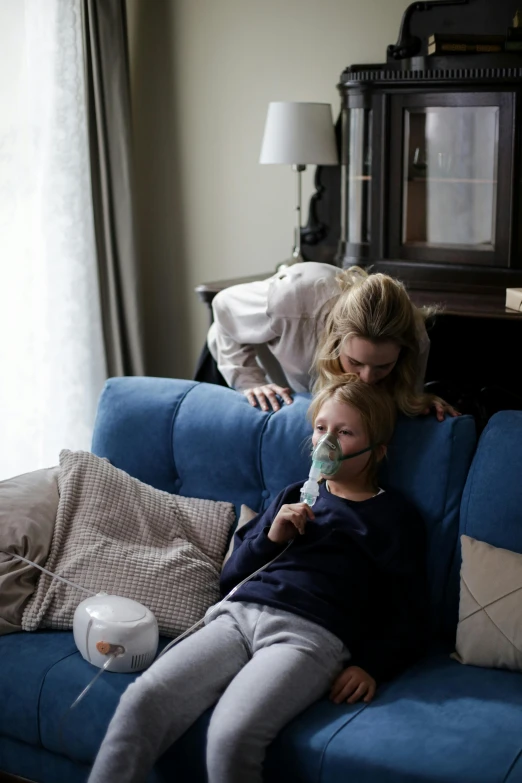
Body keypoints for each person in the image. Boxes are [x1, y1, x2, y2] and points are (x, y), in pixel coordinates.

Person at [88, 377, 428, 783]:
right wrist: (272, 536)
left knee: (231, 736)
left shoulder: (393, 516)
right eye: (321, 428)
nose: (326, 442)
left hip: (308, 636)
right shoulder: (292, 497)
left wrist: (371, 665)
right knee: (143, 700)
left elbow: (411, 611)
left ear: (379, 450)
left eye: (345, 432)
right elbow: (230, 575)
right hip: (237, 615)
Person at [207, 261, 458, 420]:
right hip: (236, 355)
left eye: (383, 366)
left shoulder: (414, 336)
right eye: (355, 362)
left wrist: (416, 401)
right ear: (335, 338)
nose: (368, 378)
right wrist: (249, 381)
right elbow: (223, 306)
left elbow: (406, 396)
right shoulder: (291, 302)